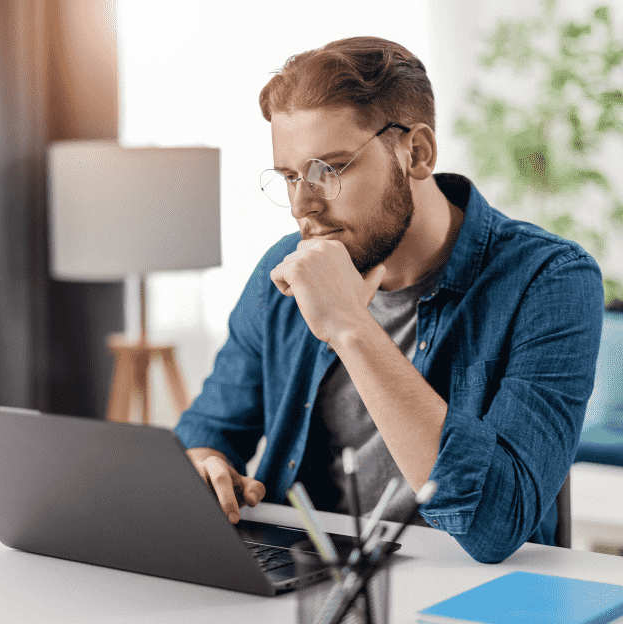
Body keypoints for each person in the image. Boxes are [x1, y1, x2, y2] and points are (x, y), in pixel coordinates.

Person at [174, 36, 604, 563]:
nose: (302, 205)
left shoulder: (550, 280)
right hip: (305, 574)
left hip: (466, 588)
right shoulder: (282, 268)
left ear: (416, 153)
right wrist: (204, 463)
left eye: (328, 169)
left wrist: (350, 328)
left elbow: (496, 524)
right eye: (289, 177)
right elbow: (208, 430)